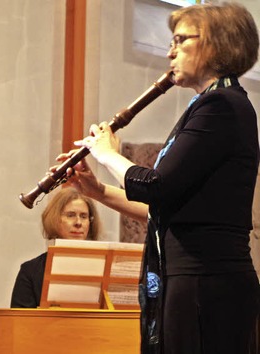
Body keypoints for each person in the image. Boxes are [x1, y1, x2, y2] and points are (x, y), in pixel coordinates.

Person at [62, 3, 260, 353]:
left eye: (181, 40)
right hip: (194, 282)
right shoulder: (209, 106)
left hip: (209, 286)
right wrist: (97, 191)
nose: (170, 52)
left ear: (216, 44)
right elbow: (166, 206)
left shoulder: (223, 107)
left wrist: (107, 153)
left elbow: (155, 185)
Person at [10, 187, 101, 308]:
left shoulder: (102, 266)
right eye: (70, 215)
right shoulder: (30, 270)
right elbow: (20, 322)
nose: (78, 222)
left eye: (84, 216)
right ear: (55, 219)